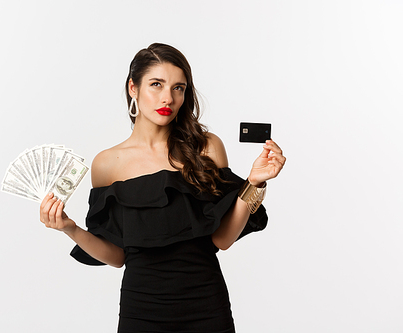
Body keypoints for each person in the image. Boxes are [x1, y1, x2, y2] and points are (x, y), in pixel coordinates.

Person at [39, 43, 286, 333]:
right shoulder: (107, 164)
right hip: (141, 310)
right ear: (133, 88)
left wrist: (255, 183)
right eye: (156, 84)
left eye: (178, 88)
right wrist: (70, 228)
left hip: (206, 305)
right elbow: (118, 256)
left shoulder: (206, 148)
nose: (167, 97)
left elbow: (222, 239)